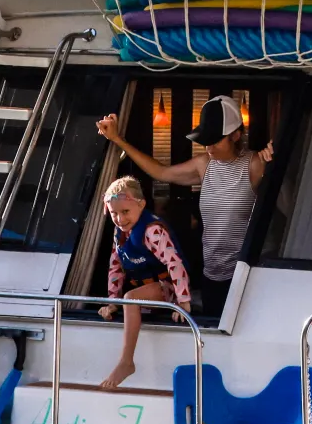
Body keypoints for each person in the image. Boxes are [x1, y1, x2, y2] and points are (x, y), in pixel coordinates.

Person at [95, 96, 272, 324]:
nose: (208, 147)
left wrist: (272, 153)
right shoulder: (204, 164)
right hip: (212, 275)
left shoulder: (255, 164)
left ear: (236, 135)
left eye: (215, 140)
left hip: (245, 275)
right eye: (205, 141)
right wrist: (118, 139)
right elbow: (161, 173)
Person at [97, 175, 191, 391]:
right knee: (127, 298)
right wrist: (112, 302)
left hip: (168, 289)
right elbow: (115, 267)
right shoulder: (120, 233)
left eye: (126, 212)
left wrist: (183, 301)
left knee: (130, 299)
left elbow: (174, 264)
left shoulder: (152, 231)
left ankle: (126, 362)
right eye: (114, 213)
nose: (120, 219)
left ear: (142, 205)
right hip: (148, 290)